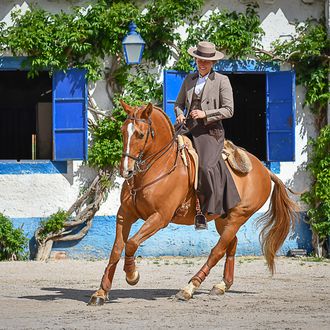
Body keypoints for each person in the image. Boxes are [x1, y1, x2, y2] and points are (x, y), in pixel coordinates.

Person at [174, 41, 241, 229]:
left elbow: (229, 110)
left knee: (205, 167)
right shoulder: (189, 79)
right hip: (187, 127)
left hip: (210, 131)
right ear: (195, 59)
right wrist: (180, 115)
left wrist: (205, 114)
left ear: (213, 63)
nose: (202, 64)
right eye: (199, 60)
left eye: (206, 61)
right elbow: (178, 104)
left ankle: (206, 208)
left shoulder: (222, 80)